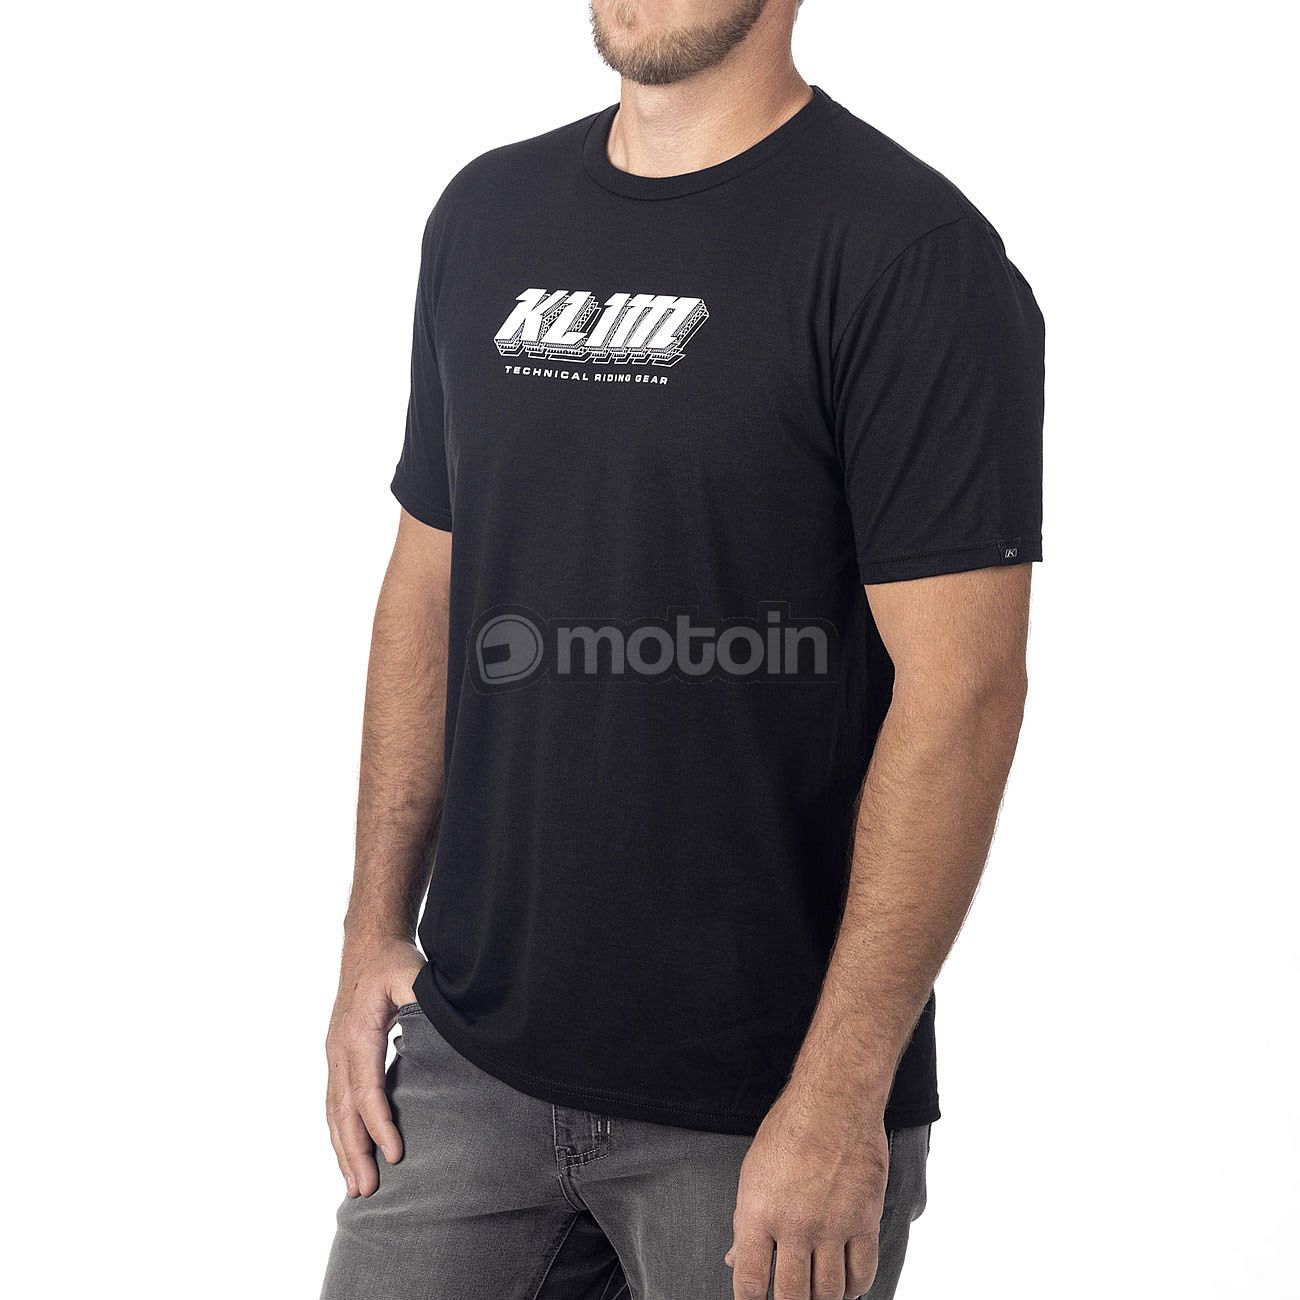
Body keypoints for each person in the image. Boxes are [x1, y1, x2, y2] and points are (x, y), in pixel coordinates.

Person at [321, 2, 1044, 1297]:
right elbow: (425, 587)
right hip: (469, 1068)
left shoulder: (908, 250)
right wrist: (372, 928)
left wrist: (840, 1097)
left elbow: (966, 696)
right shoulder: (489, 214)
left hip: (761, 1111)